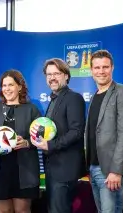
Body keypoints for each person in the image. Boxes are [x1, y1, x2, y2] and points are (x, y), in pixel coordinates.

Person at [31, 58, 86, 213]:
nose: (52, 78)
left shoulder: (73, 98)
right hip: (53, 168)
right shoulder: (54, 99)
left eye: (56, 73)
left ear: (66, 76)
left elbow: (76, 131)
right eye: (49, 74)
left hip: (64, 170)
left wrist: (50, 145)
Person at [0, 70, 41, 213]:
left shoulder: (31, 109)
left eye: (11, 85)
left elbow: (39, 137)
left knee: (23, 210)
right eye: (4, 85)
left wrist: (27, 142)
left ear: (19, 87)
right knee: (4, 211)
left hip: (24, 169)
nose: (7, 89)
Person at [85, 50, 123, 213]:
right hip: (94, 168)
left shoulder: (122, 91)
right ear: (91, 71)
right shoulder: (94, 96)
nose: (101, 71)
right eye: (97, 68)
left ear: (112, 68)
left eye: (105, 67)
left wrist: (116, 171)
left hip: (111, 170)